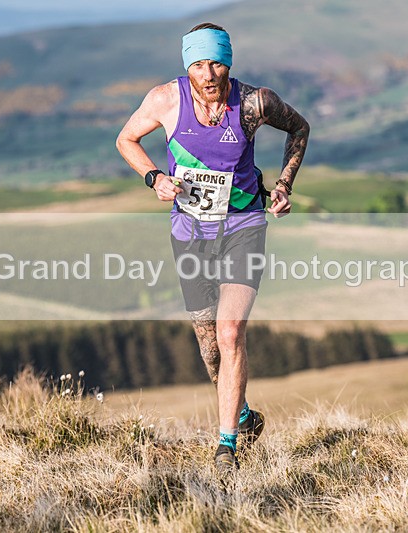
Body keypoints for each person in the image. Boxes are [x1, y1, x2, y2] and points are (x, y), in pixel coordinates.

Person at [116, 22, 309, 478]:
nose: (209, 73)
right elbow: (126, 139)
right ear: (188, 66)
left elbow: (299, 127)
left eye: (217, 62)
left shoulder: (254, 102)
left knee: (230, 331)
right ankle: (241, 416)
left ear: (230, 62)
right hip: (190, 232)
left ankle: (226, 449)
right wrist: (154, 177)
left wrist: (282, 185)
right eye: (199, 64)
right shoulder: (165, 100)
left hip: (244, 225)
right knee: (209, 348)